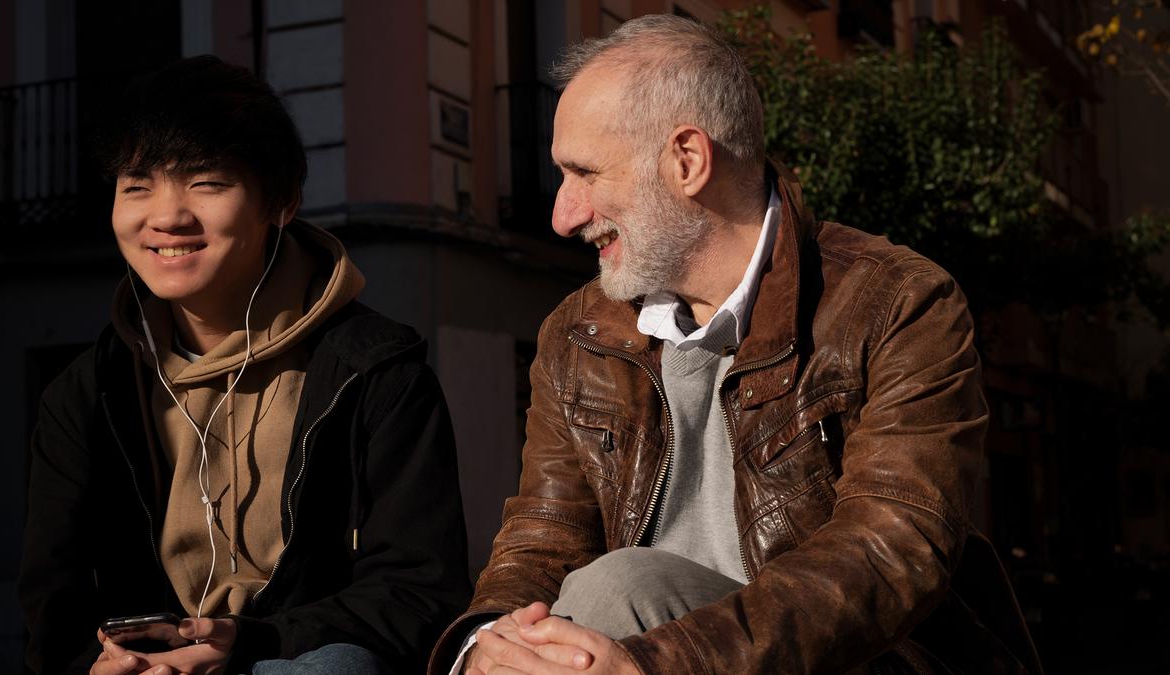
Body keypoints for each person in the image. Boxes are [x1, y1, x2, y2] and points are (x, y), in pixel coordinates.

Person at [430, 15, 1041, 675]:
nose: (563, 214)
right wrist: (484, 645)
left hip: (847, 662)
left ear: (688, 160)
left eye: (585, 173)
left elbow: (890, 550)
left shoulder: (898, 303)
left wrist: (656, 664)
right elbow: (540, 542)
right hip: (609, 657)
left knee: (619, 587)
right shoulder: (578, 335)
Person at [18, 55, 470, 675]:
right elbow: (53, 603)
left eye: (206, 182)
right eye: (137, 185)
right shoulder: (87, 391)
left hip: (295, 659)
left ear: (280, 203)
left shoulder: (374, 372)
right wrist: (92, 666)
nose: (167, 216)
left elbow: (420, 589)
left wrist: (252, 640)